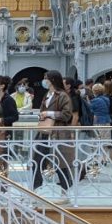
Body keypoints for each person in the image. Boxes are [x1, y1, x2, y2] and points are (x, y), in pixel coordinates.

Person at [31, 71, 74, 202]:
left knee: (61, 162)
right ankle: (35, 190)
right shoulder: (47, 95)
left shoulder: (62, 96)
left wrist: (49, 113)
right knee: (37, 161)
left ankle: (64, 191)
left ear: (53, 80)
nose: (44, 81)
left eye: (46, 78)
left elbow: (67, 114)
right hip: (44, 132)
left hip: (58, 134)